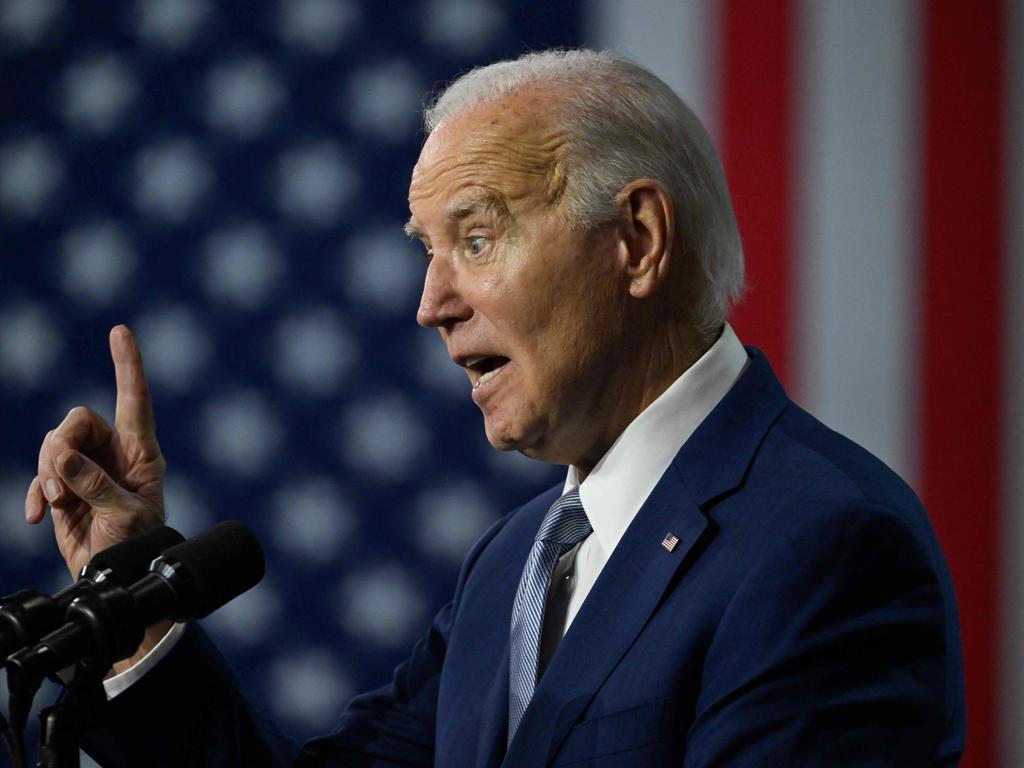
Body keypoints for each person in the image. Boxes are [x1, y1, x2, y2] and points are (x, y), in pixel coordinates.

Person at [25, 49, 965, 766]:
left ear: (636, 242)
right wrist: (134, 600)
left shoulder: (827, 545)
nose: (430, 304)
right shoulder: (516, 560)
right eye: (425, 251)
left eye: (475, 238)